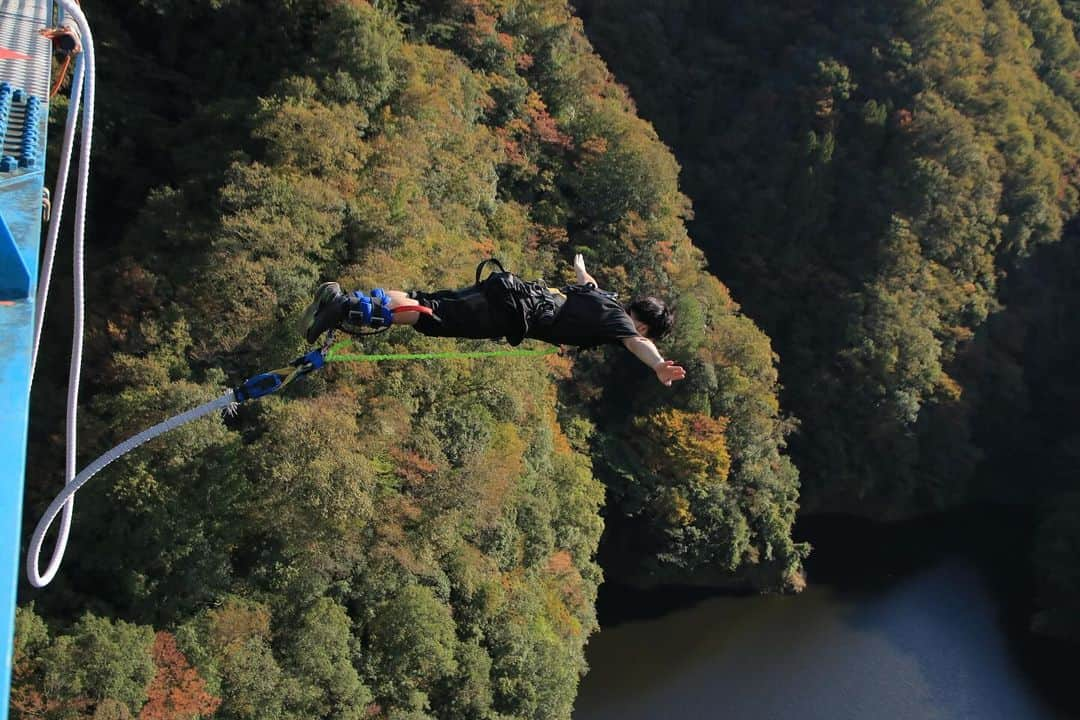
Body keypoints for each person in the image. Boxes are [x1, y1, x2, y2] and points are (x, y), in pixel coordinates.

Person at [300, 255, 687, 386]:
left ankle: (346, 301)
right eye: (644, 331)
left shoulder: (604, 297)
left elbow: (587, 279)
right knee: (430, 317)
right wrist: (657, 365)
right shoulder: (622, 325)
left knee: (424, 302)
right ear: (643, 325)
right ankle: (344, 307)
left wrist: (579, 264)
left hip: (509, 290)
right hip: (508, 313)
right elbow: (638, 344)